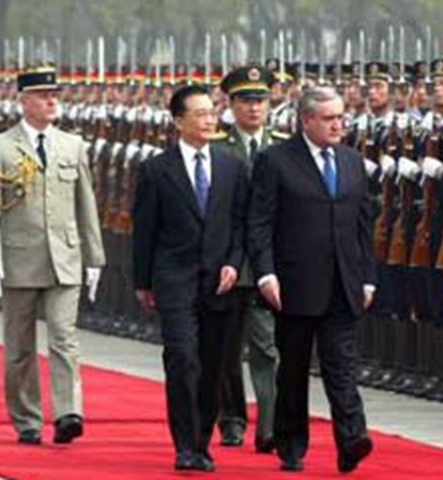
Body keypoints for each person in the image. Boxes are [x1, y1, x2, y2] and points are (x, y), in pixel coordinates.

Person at [248, 86, 377, 473]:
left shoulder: (352, 162)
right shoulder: (276, 161)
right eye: (328, 118)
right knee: (294, 368)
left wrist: (367, 277)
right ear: (306, 121)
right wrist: (265, 273)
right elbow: (260, 222)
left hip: (343, 283)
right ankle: (290, 442)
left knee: (343, 366)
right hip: (295, 283)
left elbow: (363, 225)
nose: (338, 124)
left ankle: (351, 438)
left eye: (341, 116)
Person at [0, 65, 105, 445]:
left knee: (64, 337)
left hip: (64, 256)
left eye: (55, 94)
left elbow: (86, 203)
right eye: (42, 95)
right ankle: (27, 419)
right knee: (19, 346)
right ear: (23, 100)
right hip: (18, 258)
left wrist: (94, 256)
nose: (52, 101)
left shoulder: (72, 145)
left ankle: (68, 412)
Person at [132, 84, 248, 472]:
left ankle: (202, 442)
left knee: (214, 364)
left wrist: (235, 262)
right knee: (182, 358)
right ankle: (184, 444)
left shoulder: (232, 165)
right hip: (174, 278)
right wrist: (143, 280)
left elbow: (240, 222)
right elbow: (145, 228)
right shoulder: (157, 168)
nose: (209, 119)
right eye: (199, 113)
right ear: (179, 121)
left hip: (220, 280)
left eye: (212, 111)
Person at [213, 65, 279, 453]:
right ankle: (232, 419)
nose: (254, 109)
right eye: (245, 101)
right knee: (225, 348)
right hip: (227, 263)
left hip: (268, 264)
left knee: (267, 348)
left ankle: (269, 425)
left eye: (260, 100)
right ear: (230, 104)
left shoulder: (285, 146)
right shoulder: (218, 147)